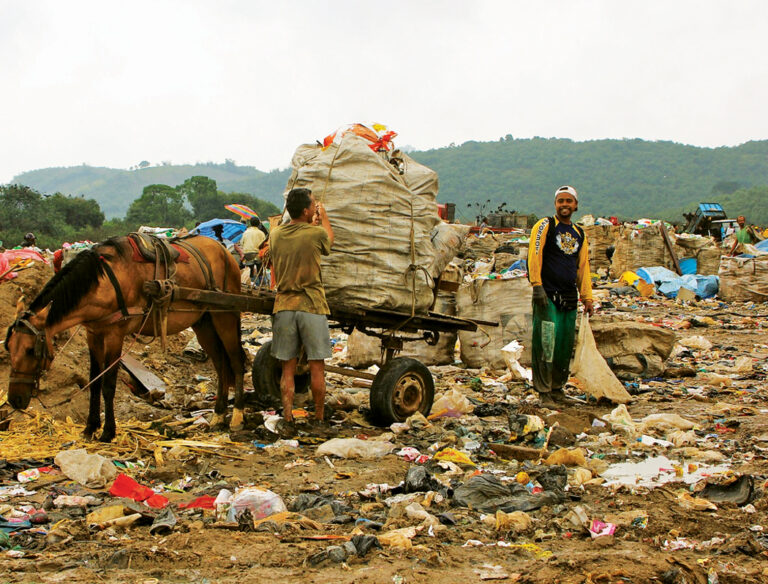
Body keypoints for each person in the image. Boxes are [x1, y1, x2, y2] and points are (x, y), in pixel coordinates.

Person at [269, 187, 334, 429]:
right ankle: (319, 418)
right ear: (307, 211)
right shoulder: (316, 233)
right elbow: (329, 242)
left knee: (288, 368)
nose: (315, 207)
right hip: (312, 306)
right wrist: (323, 217)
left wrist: (312, 221)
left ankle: (287, 417)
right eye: (313, 204)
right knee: (317, 366)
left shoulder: (275, 234)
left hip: (284, 306)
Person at [527, 185, 594, 402]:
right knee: (546, 344)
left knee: (564, 346)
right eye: (560, 201)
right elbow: (534, 254)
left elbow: (582, 267)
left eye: (568, 201)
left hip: (569, 297)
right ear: (555, 204)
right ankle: (544, 391)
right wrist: (537, 285)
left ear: (576, 205)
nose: (564, 205)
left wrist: (587, 297)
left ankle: (557, 388)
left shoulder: (579, 233)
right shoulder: (545, 225)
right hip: (548, 295)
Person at [240, 217, 267, 286]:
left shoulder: (246, 232)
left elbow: (241, 243)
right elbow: (264, 244)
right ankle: (262, 284)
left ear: (250, 223)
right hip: (258, 254)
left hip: (248, 254)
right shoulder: (261, 233)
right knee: (260, 269)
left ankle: (251, 283)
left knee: (250, 269)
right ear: (258, 224)